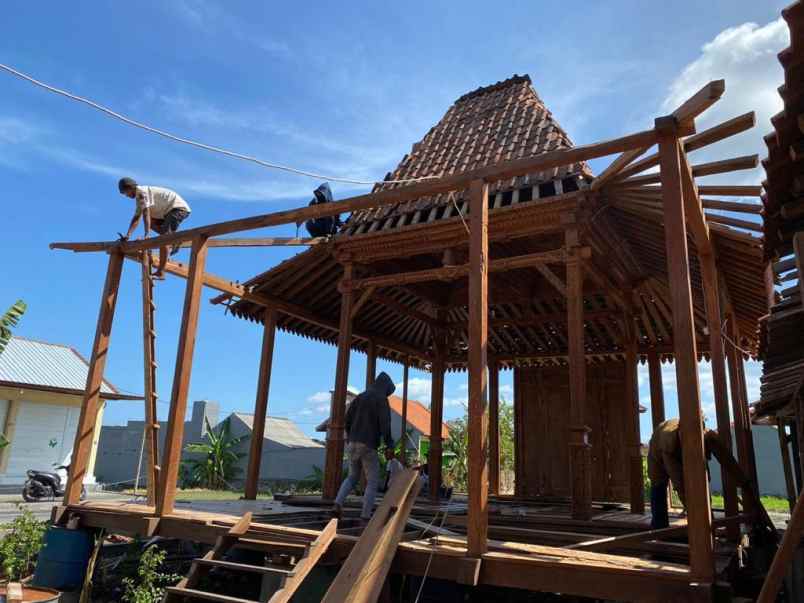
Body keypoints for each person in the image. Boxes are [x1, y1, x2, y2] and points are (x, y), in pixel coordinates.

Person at [332, 372, 395, 521]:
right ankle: (366, 515)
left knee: (352, 476)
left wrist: (350, 436)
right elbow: (385, 425)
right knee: (372, 481)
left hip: (352, 442)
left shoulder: (360, 397)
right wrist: (389, 445)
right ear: (385, 387)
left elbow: (347, 419)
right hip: (367, 444)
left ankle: (337, 504)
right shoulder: (381, 400)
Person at [118, 177, 192, 280]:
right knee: (157, 228)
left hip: (178, 209)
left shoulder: (141, 193)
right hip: (167, 211)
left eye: (125, 193)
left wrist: (147, 234)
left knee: (164, 239)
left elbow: (146, 213)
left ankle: (161, 272)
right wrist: (128, 235)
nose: (126, 196)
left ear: (130, 188)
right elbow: (136, 218)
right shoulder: (139, 197)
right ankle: (174, 239)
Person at [648, 417, 711, 529]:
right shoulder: (668, 441)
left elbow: (706, 474)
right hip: (658, 451)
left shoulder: (705, 436)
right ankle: (659, 527)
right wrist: (697, 517)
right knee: (658, 485)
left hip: (680, 450)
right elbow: (680, 484)